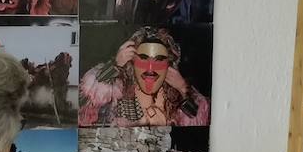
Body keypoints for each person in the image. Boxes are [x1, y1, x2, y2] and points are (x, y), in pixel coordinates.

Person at [79, 26, 209, 126]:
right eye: (143, 58)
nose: (150, 69)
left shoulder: (176, 96)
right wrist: (114, 66)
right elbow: (83, 103)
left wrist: (184, 89)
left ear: (169, 66)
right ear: (132, 61)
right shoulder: (120, 91)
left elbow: (200, 120)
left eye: (159, 60)